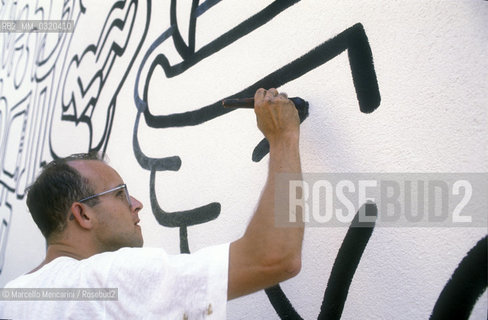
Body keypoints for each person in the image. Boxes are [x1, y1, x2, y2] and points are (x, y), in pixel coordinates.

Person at [0, 88, 304, 319]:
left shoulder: (10, 299)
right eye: (120, 193)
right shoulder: (108, 279)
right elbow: (274, 257)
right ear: (82, 214)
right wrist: (283, 138)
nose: (137, 204)